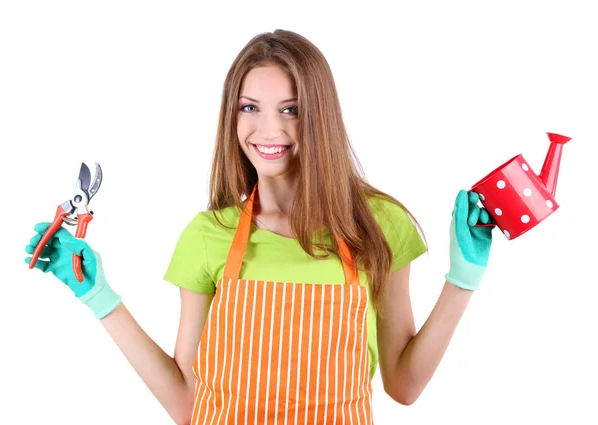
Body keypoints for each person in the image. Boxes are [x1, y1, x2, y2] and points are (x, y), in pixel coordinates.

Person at [24, 29, 494, 425]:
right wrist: (100, 297)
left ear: (320, 116)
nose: (268, 129)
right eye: (250, 107)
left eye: (290, 109)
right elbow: (188, 404)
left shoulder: (378, 225)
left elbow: (404, 385)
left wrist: (462, 280)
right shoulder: (207, 235)